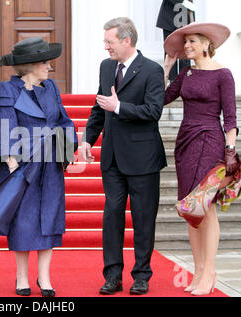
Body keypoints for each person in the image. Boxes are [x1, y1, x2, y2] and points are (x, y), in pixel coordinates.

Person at [0, 37, 78, 297]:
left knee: (49, 221)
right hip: (22, 167)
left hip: (50, 164)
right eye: (45, 63)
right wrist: (10, 161)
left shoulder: (51, 87)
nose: (50, 68)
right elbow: (4, 122)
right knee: (23, 221)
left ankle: (44, 278)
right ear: (31, 65)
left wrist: (67, 149)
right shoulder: (9, 90)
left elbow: (64, 121)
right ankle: (22, 277)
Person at [80, 17, 167, 295]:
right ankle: (112, 275)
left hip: (143, 158)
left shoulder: (151, 70)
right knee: (112, 216)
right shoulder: (106, 67)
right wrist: (87, 140)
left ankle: (141, 275)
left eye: (110, 42)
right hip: (113, 158)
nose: (106, 47)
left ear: (126, 41)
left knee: (143, 218)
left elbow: (153, 112)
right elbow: (99, 105)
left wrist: (119, 107)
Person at [163, 22, 241, 295]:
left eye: (193, 41)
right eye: (185, 42)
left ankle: (209, 272)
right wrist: (166, 66)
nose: (187, 46)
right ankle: (197, 272)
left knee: (205, 208)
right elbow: (160, 98)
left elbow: (230, 117)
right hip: (185, 143)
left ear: (207, 44)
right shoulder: (186, 74)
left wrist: (230, 151)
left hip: (210, 142)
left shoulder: (224, 75)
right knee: (190, 210)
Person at [156, 0, 195, 83]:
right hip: (169, 16)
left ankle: (185, 80)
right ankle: (171, 81)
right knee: (170, 49)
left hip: (185, 13)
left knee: (186, 47)